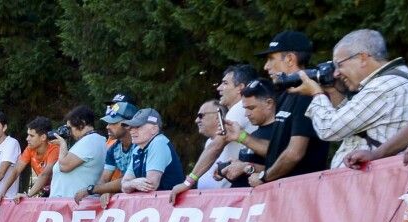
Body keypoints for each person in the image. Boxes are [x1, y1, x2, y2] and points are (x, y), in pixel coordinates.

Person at [288, 28, 408, 169]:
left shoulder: (384, 86)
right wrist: (332, 90)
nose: (336, 73)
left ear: (362, 58)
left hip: (372, 182)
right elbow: (348, 122)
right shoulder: (389, 82)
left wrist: (316, 94)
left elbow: (329, 129)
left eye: (339, 65)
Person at [227, 30, 329, 185]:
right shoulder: (284, 95)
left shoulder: (307, 95)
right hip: (282, 191)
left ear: (289, 59)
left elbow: (294, 153)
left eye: (270, 59)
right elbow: (276, 150)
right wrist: (243, 139)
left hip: (302, 190)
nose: (266, 66)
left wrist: (264, 177)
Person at [171, 65, 258, 202]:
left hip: (234, 196)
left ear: (240, 88)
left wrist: (188, 182)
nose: (219, 88)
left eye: (225, 83)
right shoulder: (238, 110)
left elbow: (216, 146)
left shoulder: (240, 107)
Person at [0, 117, 59, 203]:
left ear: (43, 137)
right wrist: (1, 192)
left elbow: (45, 175)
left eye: (31, 136)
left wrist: (28, 195)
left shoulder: (55, 149)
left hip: (59, 191)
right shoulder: (30, 149)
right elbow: (16, 171)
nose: (27, 138)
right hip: (46, 191)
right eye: (28, 135)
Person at [119, 108, 185, 194]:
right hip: (158, 204)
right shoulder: (137, 149)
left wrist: (131, 184)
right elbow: (124, 186)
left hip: (171, 204)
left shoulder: (159, 142)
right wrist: (133, 184)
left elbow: (151, 185)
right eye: (131, 127)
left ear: (154, 129)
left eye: (138, 126)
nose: (131, 130)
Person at [48, 106, 106, 200]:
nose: (69, 132)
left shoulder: (90, 141)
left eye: (70, 128)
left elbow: (64, 166)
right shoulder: (95, 140)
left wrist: (63, 144)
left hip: (75, 205)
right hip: (71, 204)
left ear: (82, 124)